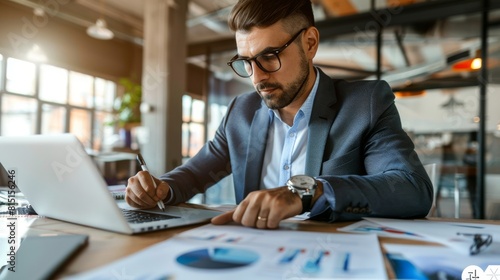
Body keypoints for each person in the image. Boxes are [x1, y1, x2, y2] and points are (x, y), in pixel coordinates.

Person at [125, 0, 433, 229]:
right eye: (246, 61)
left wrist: (310, 191)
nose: (257, 77)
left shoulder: (364, 104)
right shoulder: (240, 113)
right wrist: (161, 187)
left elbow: (411, 188)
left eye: (269, 56)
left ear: (309, 43)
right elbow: (195, 174)